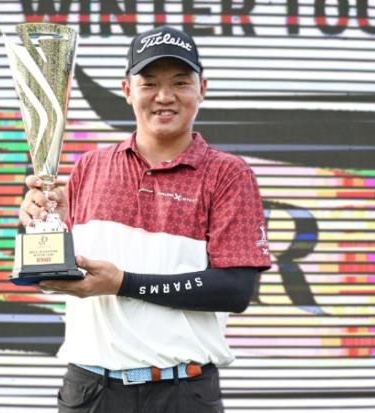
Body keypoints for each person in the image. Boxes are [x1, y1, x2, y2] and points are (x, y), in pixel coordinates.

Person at [19, 25, 271, 413]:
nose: (164, 96)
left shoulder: (227, 174)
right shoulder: (90, 167)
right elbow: (52, 278)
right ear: (127, 90)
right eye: (149, 83)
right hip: (91, 391)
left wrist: (123, 284)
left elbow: (235, 290)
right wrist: (39, 224)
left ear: (202, 89)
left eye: (180, 82)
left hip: (182, 393)